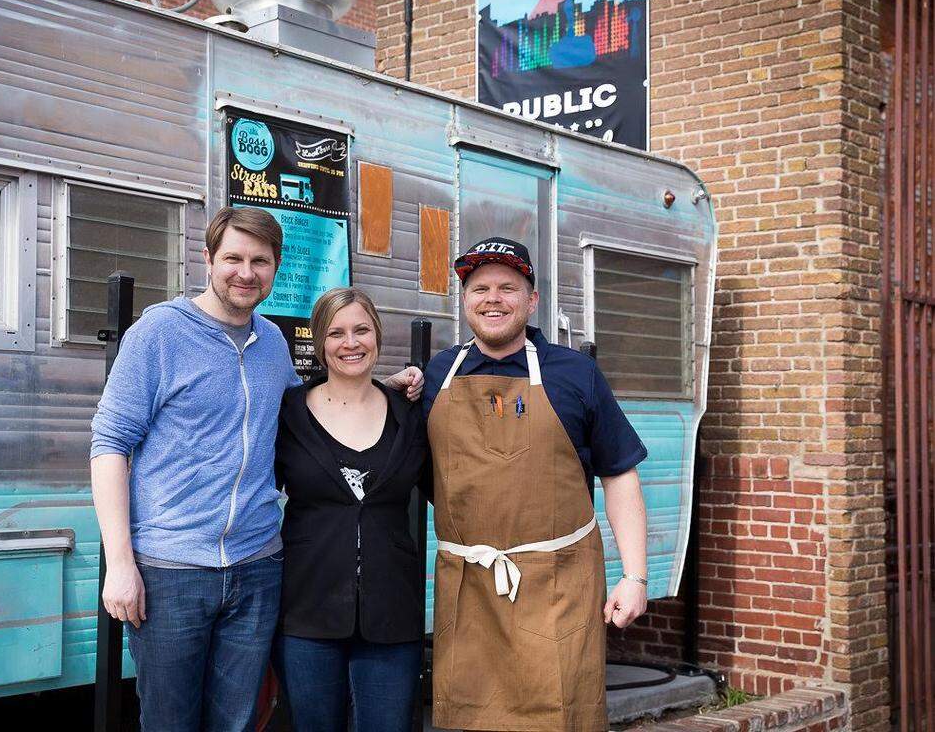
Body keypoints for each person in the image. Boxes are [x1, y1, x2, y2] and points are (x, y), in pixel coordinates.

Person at [89, 207, 422, 732]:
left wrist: (387, 385)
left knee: (241, 722)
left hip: (258, 567)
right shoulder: (158, 333)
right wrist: (121, 563)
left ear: (275, 267)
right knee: (171, 722)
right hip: (173, 569)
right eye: (233, 259)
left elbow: (324, 410)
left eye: (260, 261)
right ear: (207, 260)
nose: (246, 272)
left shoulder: (271, 344)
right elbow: (109, 444)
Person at [422, 237, 649, 732]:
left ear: (532, 300)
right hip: (469, 589)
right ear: (464, 301)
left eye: (508, 287)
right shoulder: (439, 374)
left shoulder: (577, 374)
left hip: (559, 587)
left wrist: (635, 577)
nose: (493, 299)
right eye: (479, 288)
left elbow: (620, 475)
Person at [272, 287, 432, 732]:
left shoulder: (409, 415)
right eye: (337, 333)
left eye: (362, 330)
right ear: (321, 342)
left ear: (377, 336)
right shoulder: (289, 412)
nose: (351, 343)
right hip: (306, 611)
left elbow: (452, 488)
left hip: (392, 615)